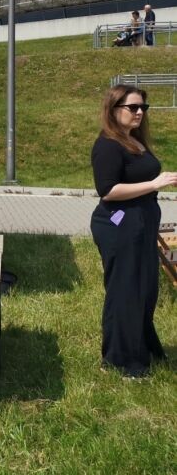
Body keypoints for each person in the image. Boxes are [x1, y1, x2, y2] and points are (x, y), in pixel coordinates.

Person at [90, 85, 176, 378]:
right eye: (133, 107)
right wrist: (155, 184)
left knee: (145, 289)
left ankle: (142, 347)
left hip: (141, 223)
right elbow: (108, 190)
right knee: (126, 290)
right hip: (119, 225)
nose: (140, 112)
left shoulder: (134, 140)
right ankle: (120, 360)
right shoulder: (107, 145)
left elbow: (142, 178)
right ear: (114, 109)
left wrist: (161, 183)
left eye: (143, 107)